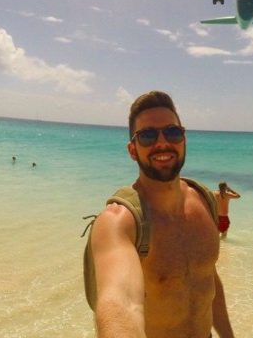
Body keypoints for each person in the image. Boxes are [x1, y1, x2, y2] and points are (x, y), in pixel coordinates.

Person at [86, 90, 235, 338]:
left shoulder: (205, 199)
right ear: (133, 150)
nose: (162, 142)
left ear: (184, 139)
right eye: (147, 136)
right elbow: (121, 304)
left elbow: (207, 279)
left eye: (173, 132)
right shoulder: (119, 222)